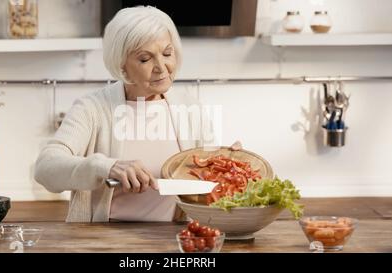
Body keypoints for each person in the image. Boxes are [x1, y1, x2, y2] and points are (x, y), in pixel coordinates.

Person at [34, 6, 242, 222]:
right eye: (145, 59)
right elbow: (45, 168)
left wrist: (229, 164)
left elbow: (206, 181)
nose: (161, 67)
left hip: (175, 241)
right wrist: (107, 166)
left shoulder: (191, 109)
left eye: (167, 53)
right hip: (105, 241)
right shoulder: (92, 109)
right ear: (122, 64)